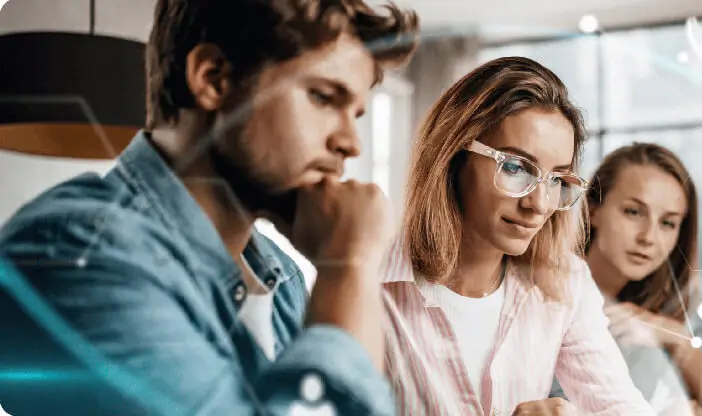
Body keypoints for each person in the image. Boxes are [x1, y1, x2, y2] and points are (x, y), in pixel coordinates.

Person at [0, 0, 418, 414]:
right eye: (324, 98)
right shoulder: (76, 250)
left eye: (356, 114)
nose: (350, 143)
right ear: (214, 78)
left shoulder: (280, 277)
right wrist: (348, 263)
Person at [379, 56, 654, 416]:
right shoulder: (371, 283)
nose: (539, 204)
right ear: (452, 158)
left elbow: (621, 407)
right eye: (514, 167)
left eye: (556, 179)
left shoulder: (565, 283)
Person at [582, 143, 702, 416]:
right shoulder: (561, 300)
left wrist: (675, 337)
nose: (648, 237)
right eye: (633, 212)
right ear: (593, 210)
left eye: (667, 223)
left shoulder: (642, 318)